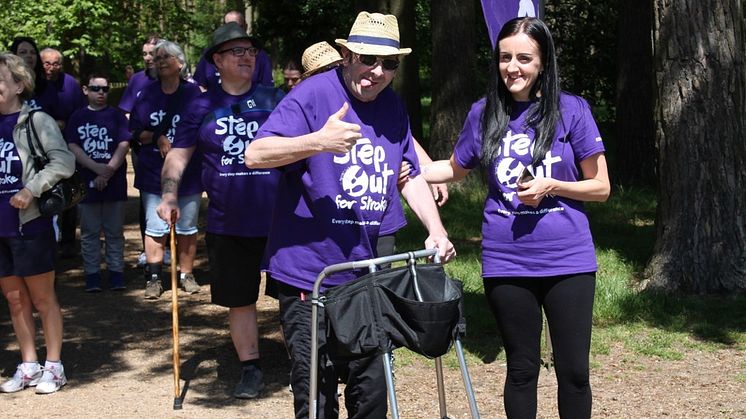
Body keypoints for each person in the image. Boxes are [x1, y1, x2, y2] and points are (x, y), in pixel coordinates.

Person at [246, 12, 456, 418]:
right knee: (316, 392)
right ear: (345, 54)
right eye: (367, 59)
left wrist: (436, 228)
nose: (377, 72)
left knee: (373, 384)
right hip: (310, 274)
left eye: (389, 63)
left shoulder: (393, 107)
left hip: (368, 271)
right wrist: (317, 141)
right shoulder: (313, 95)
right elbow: (255, 154)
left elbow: (407, 174)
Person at [421, 17, 610, 419]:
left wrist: (551, 185)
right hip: (507, 262)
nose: (513, 67)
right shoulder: (483, 112)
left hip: (569, 262)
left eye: (524, 58)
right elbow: (454, 169)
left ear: (543, 62)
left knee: (574, 372)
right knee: (521, 368)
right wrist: (404, 168)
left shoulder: (572, 110)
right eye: (505, 57)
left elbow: (601, 187)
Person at [157, 21, 284, 400]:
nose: (247, 57)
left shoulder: (273, 98)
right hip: (229, 219)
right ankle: (251, 368)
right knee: (239, 298)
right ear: (217, 60)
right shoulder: (200, 103)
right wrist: (169, 195)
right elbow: (178, 156)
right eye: (237, 51)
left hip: (280, 218)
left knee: (294, 296)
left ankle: (305, 362)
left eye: (251, 51)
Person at [299, 40, 448, 259]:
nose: (330, 76)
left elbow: (400, 137)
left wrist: (426, 168)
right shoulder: (308, 107)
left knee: (378, 281)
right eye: (322, 73)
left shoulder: (371, 98)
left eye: (333, 68)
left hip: (380, 216)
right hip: (330, 217)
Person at [0, 53, 75, 394]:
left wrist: (31, 189)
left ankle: (54, 366)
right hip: (0, 229)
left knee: (43, 299)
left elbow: (64, 161)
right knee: (15, 301)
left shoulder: (36, 120)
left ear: (18, 84)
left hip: (29, 224)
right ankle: (29, 364)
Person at [129, 40, 202, 299]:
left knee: (187, 227)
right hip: (152, 173)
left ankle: (186, 274)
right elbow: (135, 130)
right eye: (156, 58)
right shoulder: (146, 94)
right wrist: (157, 136)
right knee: (155, 227)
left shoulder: (194, 95)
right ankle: (154, 277)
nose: (159, 62)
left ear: (180, 63)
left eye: (165, 57)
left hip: (189, 174)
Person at [64, 74, 130, 292]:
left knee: (114, 232)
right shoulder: (77, 116)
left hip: (115, 183)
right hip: (86, 182)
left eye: (104, 89)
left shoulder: (117, 116)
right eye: (95, 88)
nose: (100, 93)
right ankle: (92, 275)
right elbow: (73, 146)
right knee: (89, 232)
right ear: (85, 90)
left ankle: (116, 273)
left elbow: (123, 144)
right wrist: (95, 168)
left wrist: (108, 171)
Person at [119, 34, 163, 268]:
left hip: (172, 149)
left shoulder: (174, 79)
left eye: (152, 53)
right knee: (147, 197)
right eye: (144, 54)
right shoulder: (136, 80)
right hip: (143, 147)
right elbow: (126, 111)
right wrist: (138, 132)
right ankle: (150, 251)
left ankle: (169, 246)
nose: (147, 58)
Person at [39, 47, 87, 259]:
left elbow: (80, 114)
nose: (51, 68)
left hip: (66, 145)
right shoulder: (33, 83)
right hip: (37, 148)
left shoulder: (71, 85)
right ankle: (45, 239)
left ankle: (68, 241)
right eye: (47, 63)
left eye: (56, 63)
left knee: (68, 192)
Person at [192, 10, 273, 91]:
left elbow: (267, 88)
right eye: (229, 26)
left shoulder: (259, 54)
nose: (235, 30)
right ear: (217, 60)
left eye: (239, 26)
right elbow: (200, 85)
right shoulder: (210, 54)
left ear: (246, 26)